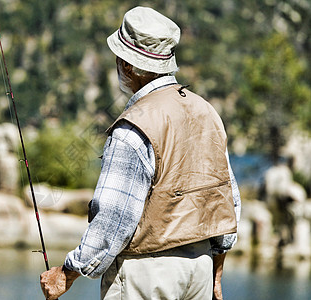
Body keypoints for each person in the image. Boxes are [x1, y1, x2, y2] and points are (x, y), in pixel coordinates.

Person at [40, 6, 241, 300]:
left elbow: (114, 218)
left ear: (128, 65)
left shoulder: (134, 126)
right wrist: (215, 272)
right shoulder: (206, 112)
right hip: (200, 268)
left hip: (146, 275)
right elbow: (227, 202)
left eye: (119, 57)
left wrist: (68, 272)